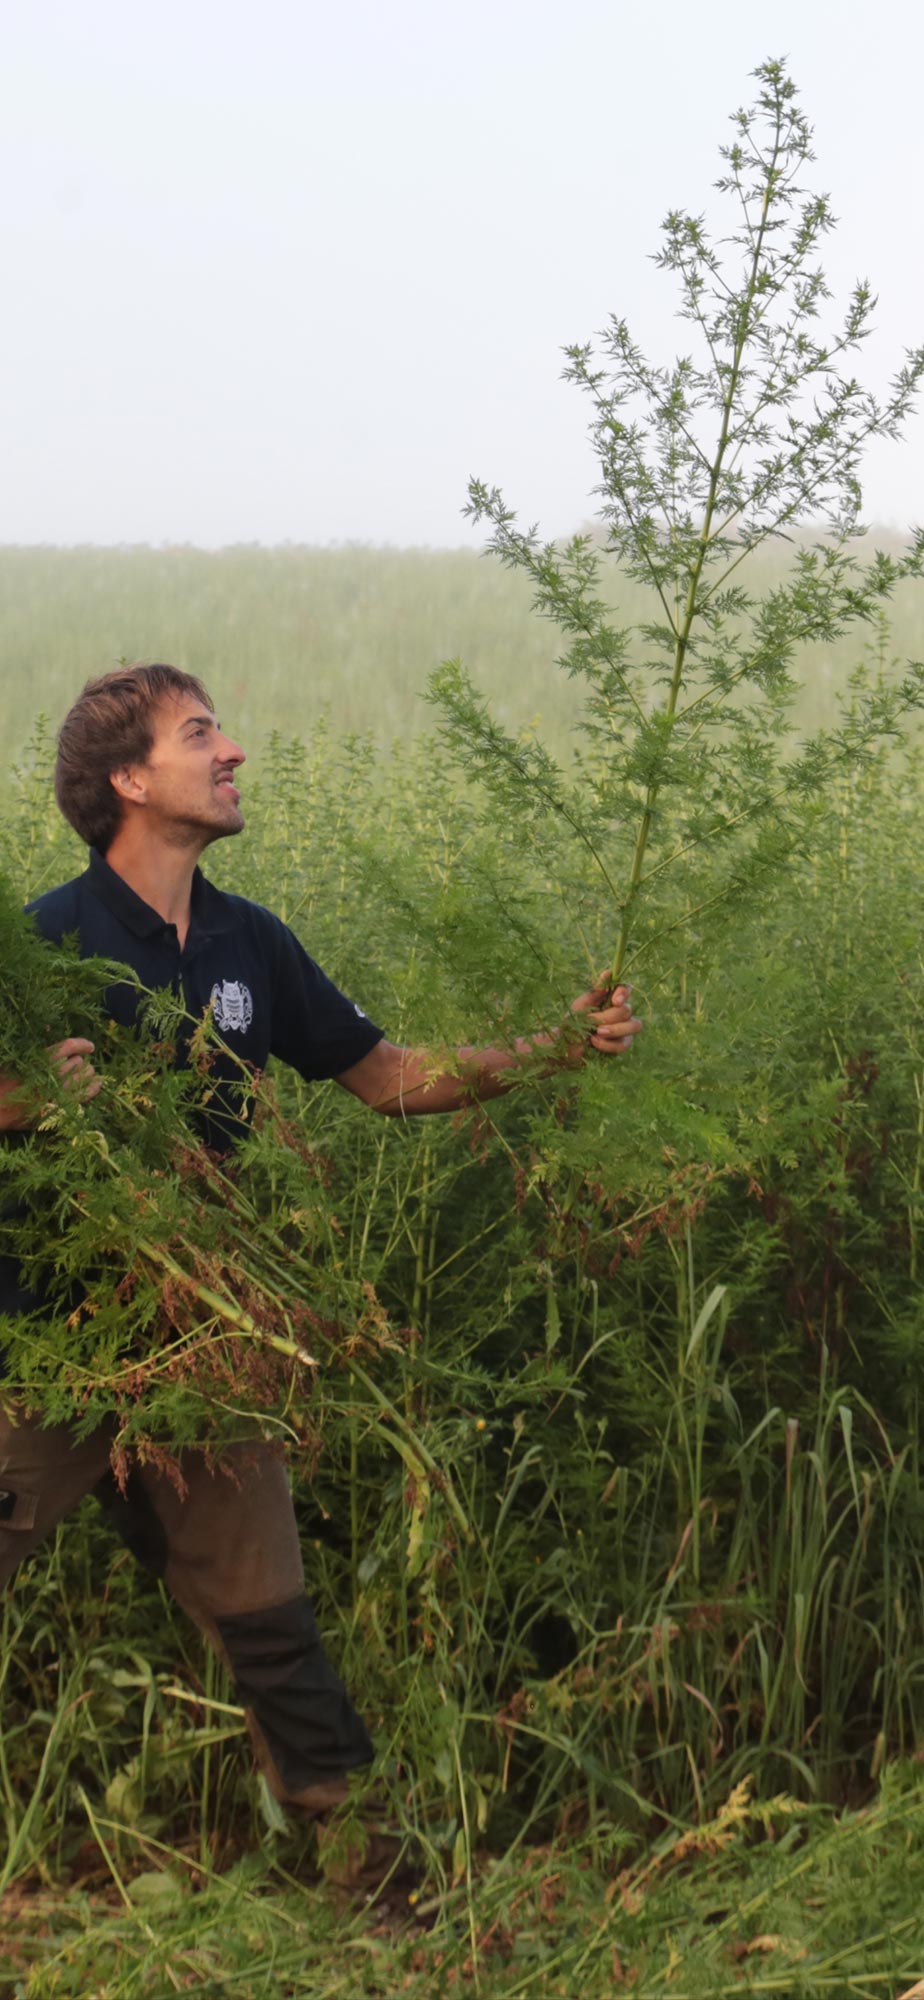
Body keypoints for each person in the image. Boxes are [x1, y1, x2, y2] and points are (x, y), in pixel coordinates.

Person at [0, 662, 641, 1866]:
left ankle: (370, 1870)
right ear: (132, 778)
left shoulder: (252, 942)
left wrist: (558, 1046)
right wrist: (23, 1098)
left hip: (210, 1347)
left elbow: (388, 1076)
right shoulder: (41, 943)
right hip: (48, 1347)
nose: (233, 749)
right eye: (202, 734)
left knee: (274, 1626)